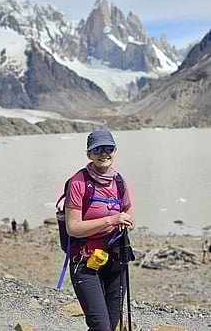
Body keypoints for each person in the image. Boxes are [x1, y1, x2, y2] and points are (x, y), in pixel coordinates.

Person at [65, 129, 135, 331]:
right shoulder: (79, 183)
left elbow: (129, 214)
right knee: (101, 325)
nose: (104, 153)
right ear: (89, 154)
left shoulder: (119, 181)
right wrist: (112, 219)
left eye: (109, 148)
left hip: (114, 261)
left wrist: (126, 221)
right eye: (98, 150)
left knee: (111, 325)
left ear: (115, 151)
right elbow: (73, 228)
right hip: (85, 262)